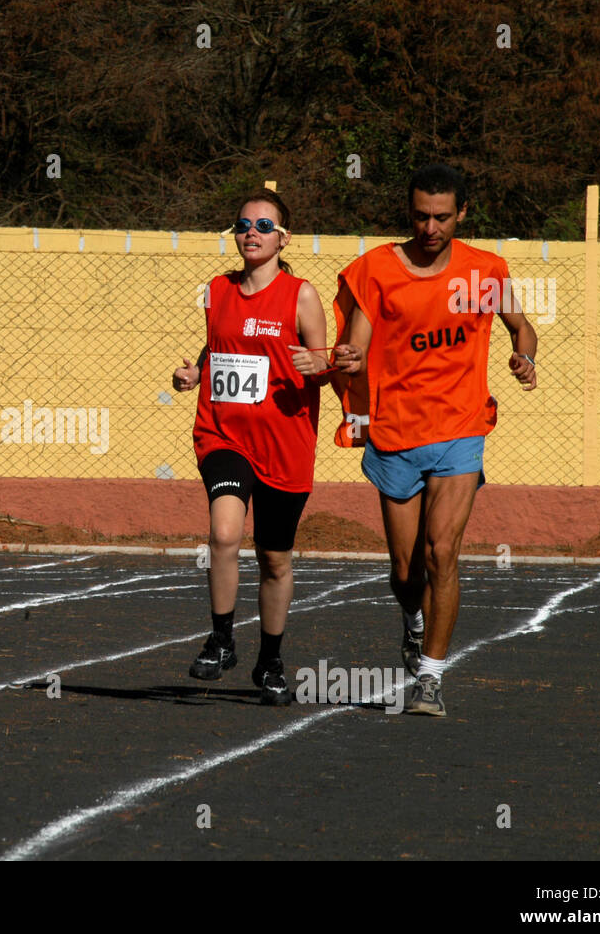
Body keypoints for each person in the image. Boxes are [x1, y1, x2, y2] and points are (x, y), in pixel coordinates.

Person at [331, 164, 538, 716]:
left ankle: (430, 678)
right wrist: (348, 361)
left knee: (442, 550)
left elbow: (521, 325)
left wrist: (525, 355)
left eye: (442, 217)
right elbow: (355, 346)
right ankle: (412, 618)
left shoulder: (485, 270)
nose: (430, 227)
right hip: (395, 431)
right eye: (421, 216)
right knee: (406, 571)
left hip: (461, 428)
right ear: (409, 212)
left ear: (462, 214)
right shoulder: (376, 270)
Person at [172, 189, 331, 705]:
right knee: (224, 534)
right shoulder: (216, 290)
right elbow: (220, 341)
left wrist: (319, 365)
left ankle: (270, 659)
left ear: (284, 238)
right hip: (224, 435)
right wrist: (197, 371)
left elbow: (323, 360)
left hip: (285, 442)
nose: (251, 234)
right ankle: (221, 641)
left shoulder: (301, 294)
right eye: (243, 225)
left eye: (264, 226)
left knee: (274, 558)